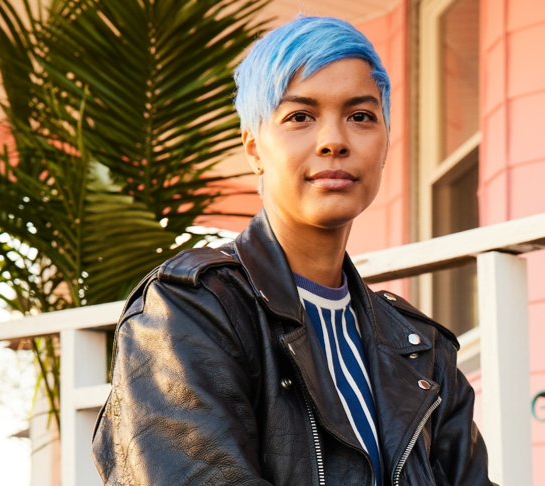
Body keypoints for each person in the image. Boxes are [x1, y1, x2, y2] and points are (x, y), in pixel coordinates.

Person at [92, 15, 492, 486]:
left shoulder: (420, 349)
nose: (334, 141)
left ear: (384, 144)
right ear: (255, 149)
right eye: (300, 117)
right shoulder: (189, 309)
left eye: (360, 117)